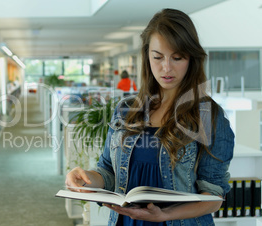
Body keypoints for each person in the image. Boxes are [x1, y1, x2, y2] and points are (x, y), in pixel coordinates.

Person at [65, 8, 234, 226]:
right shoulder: (126, 110)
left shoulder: (208, 116)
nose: (166, 67)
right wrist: (84, 179)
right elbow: (107, 171)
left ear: (191, 58)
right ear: (147, 56)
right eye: (158, 57)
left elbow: (213, 197)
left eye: (177, 57)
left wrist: (165, 215)